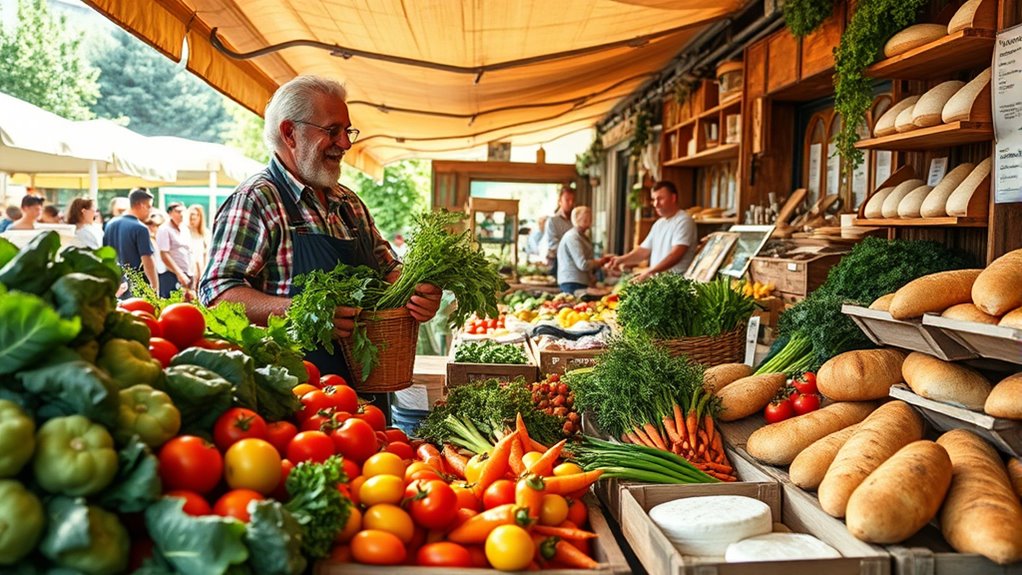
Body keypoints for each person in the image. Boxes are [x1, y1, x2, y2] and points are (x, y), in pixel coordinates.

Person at [199, 75, 442, 398]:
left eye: (347, 131)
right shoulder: (257, 200)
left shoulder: (349, 204)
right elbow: (217, 293)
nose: (346, 144)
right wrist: (301, 311)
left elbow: (389, 269)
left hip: (366, 396)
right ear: (290, 133)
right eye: (332, 130)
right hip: (294, 399)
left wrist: (417, 294)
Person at [607, 180, 697, 282]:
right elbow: (643, 251)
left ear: (673, 198)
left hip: (676, 283)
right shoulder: (659, 224)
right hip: (659, 282)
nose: (656, 204)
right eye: (654, 199)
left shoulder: (684, 220)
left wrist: (650, 271)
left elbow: (675, 255)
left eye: (660, 199)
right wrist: (621, 259)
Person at [104, 188, 159, 296]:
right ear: (140, 205)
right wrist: (154, 288)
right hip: (133, 287)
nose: (150, 211)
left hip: (113, 283)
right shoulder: (141, 228)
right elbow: (147, 260)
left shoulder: (110, 224)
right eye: (148, 206)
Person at [557, 206, 609, 294]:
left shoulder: (582, 236)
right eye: (587, 216)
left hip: (579, 282)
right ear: (577, 218)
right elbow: (583, 264)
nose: (591, 219)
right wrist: (600, 262)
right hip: (572, 283)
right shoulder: (573, 237)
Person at [156, 202, 195, 298]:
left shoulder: (185, 229)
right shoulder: (164, 229)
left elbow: (189, 251)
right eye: (178, 211)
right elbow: (164, 254)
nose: (181, 214)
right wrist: (179, 273)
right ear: (170, 213)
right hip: (171, 274)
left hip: (187, 272)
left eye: (183, 211)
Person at [542, 186, 575, 277]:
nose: (571, 203)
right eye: (567, 200)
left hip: (573, 264)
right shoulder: (552, 221)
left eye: (572, 200)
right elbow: (553, 244)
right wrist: (573, 251)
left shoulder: (576, 221)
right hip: (556, 262)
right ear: (560, 201)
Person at [186, 205, 209, 290]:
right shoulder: (185, 232)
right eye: (191, 219)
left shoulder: (206, 234)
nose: (192, 221)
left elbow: (206, 254)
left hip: (201, 268)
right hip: (189, 269)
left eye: (194, 219)